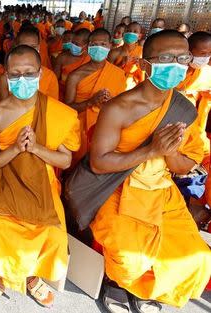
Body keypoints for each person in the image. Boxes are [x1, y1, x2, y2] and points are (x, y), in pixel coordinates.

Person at [89, 30, 211, 313]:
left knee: (196, 256)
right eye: (166, 58)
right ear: (145, 65)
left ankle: (151, 287)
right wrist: (150, 150)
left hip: (162, 192)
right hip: (119, 188)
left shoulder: (183, 109)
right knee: (131, 258)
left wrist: (169, 152)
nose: (176, 64)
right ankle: (118, 284)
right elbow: (98, 163)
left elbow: (185, 167)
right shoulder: (118, 108)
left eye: (183, 58)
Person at [0, 44, 80, 307]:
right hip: (2, 180)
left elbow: (65, 161)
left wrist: (36, 148)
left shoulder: (58, 112)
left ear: (41, 73)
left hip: (42, 181)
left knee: (53, 233)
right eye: (15, 74)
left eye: (29, 73)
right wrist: (14, 148)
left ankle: (30, 276)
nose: (23, 80)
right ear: (5, 75)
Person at [64, 28, 126, 161]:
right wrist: (90, 102)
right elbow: (67, 109)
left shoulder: (118, 73)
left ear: (110, 46)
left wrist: (111, 102)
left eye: (103, 44)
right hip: (81, 131)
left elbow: (124, 106)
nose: (98, 48)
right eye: (93, 44)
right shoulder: (75, 76)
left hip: (108, 128)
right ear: (87, 48)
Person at [176, 31, 211, 207]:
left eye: (209, 54)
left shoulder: (206, 73)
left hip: (197, 126)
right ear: (189, 51)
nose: (206, 58)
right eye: (202, 53)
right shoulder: (175, 70)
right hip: (176, 121)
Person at [0, 27, 59, 101]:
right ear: (17, 47)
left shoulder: (50, 76)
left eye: (33, 47)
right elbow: (3, 108)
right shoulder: (5, 79)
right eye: (25, 46)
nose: (29, 50)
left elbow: (53, 106)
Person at [53, 28, 91, 101]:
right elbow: (54, 80)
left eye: (77, 44)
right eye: (72, 42)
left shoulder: (91, 60)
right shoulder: (62, 57)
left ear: (86, 46)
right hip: (62, 95)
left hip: (82, 97)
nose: (73, 45)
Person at [108, 22, 144, 89]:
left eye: (135, 31)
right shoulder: (114, 52)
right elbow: (107, 74)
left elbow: (145, 75)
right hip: (114, 86)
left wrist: (141, 65)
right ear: (124, 34)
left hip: (134, 89)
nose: (131, 33)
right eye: (128, 31)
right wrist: (122, 64)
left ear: (139, 36)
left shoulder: (142, 52)